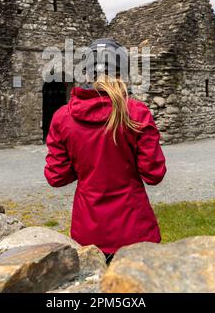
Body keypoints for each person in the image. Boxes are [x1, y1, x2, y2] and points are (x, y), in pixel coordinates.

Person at [44, 38, 167, 265]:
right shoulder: (136, 113)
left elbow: (56, 176)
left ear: (87, 72)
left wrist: (83, 165)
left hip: (89, 231)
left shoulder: (63, 117)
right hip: (134, 229)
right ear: (121, 70)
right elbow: (154, 174)